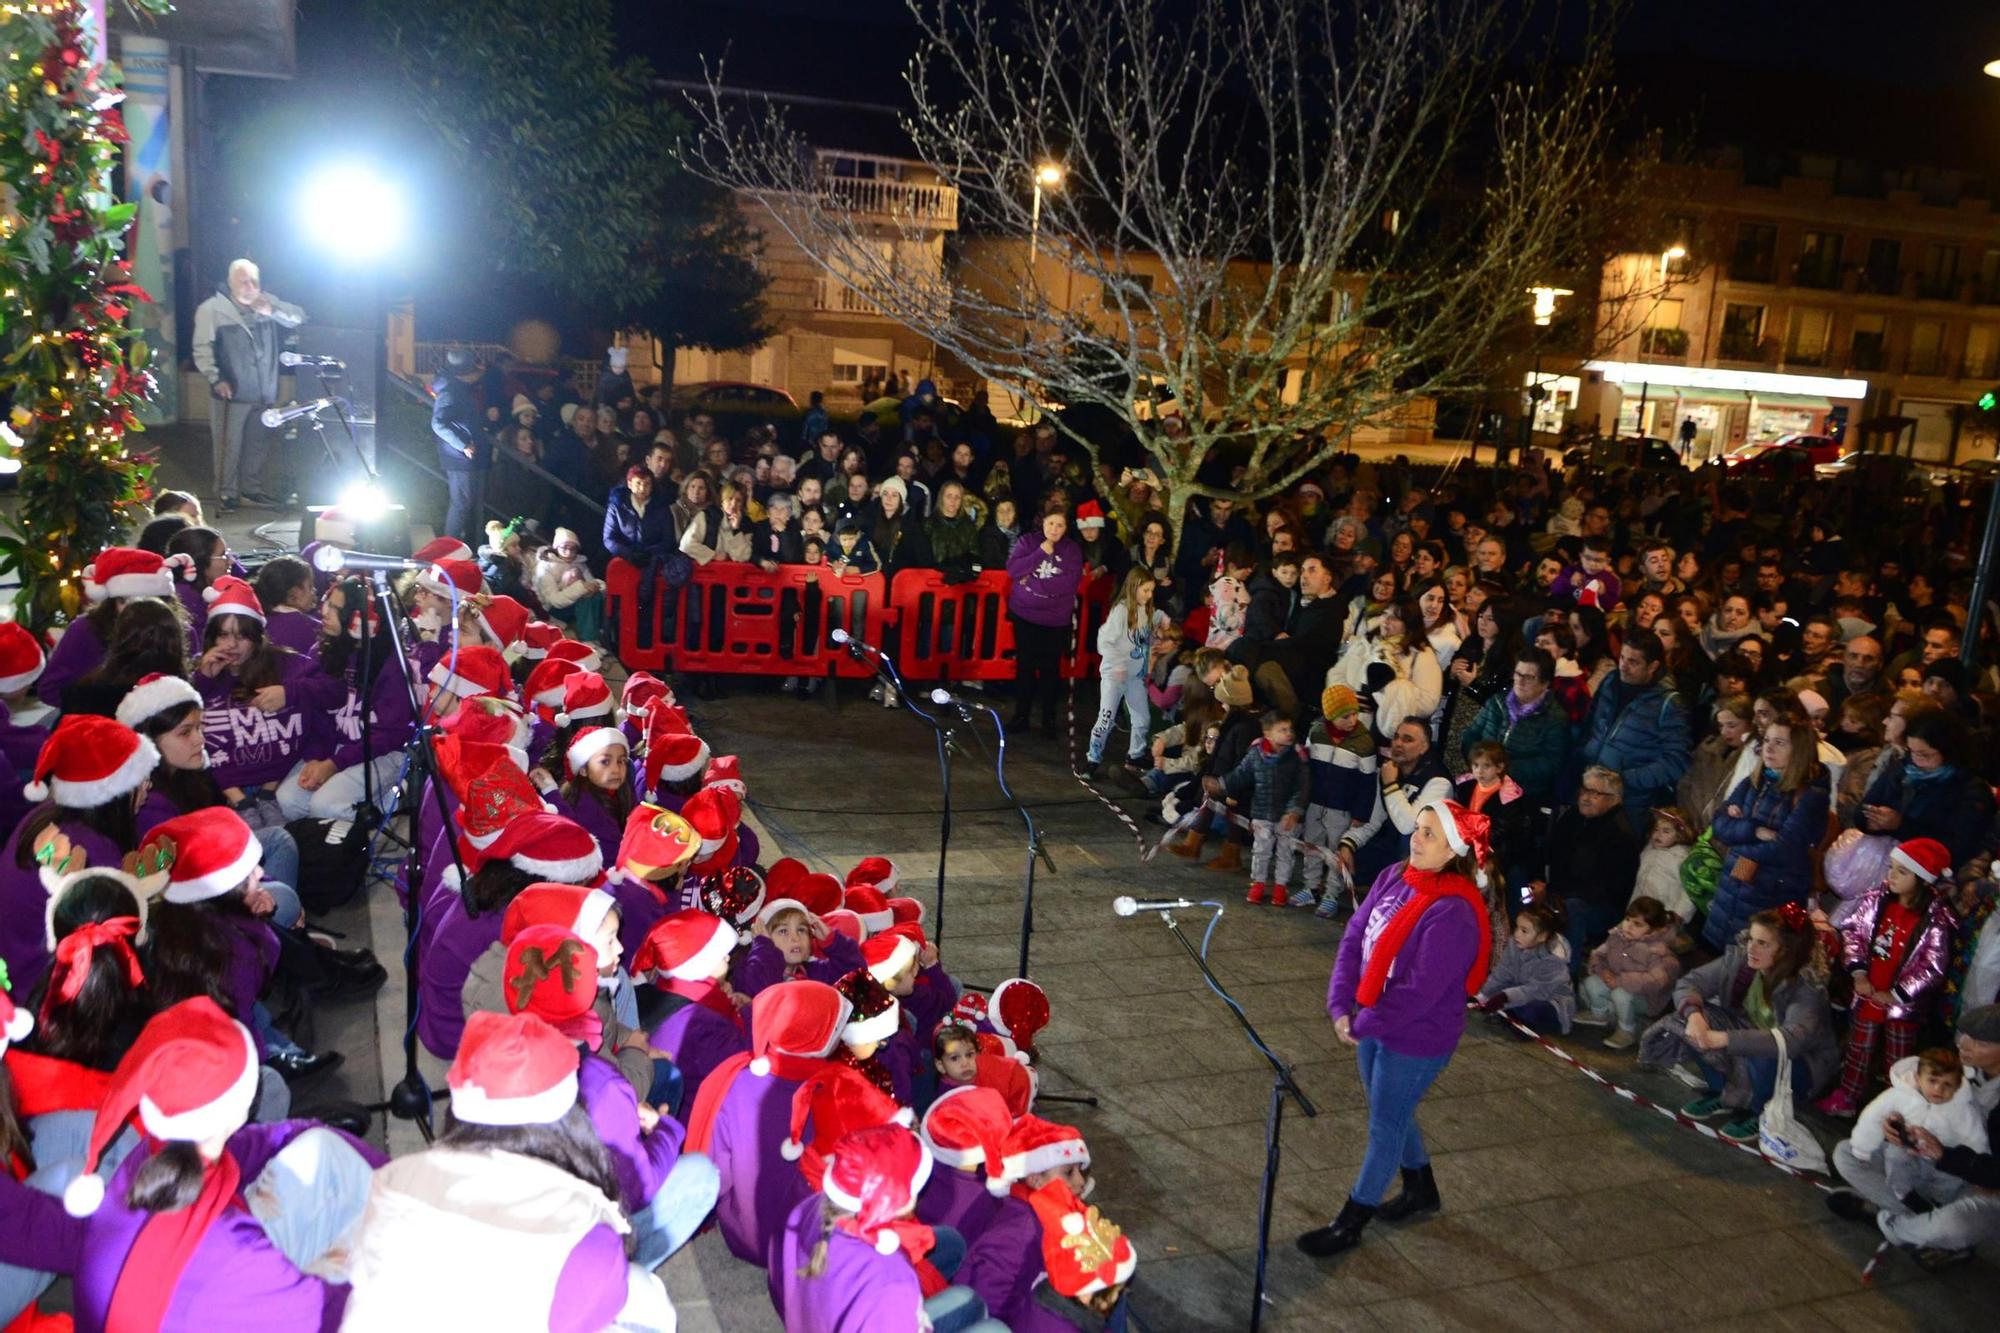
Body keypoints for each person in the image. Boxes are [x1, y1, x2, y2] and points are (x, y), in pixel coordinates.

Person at [343, 1010, 676, 1330]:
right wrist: (667, 1131)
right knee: (646, 1296)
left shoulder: (393, 1178)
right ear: (569, 1121)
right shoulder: (585, 1228)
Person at [1300, 800, 1492, 1257]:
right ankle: (1421, 1187)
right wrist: (1341, 1003)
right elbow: (1355, 938)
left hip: (1418, 1037)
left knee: (1385, 1124)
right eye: (1418, 828)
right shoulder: (1394, 877)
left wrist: (1362, 1022)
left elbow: (1420, 990)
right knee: (1391, 1111)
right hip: (1377, 1022)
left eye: (1430, 834)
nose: (1416, 839)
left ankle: (1350, 1222)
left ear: (1454, 852)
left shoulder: (1454, 913)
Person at [1826, 1003, 2000, 1271]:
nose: (1964, 1044)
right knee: (1847, 1154)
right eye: (1965, 1035)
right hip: (1924, 1161)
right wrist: (1895, 1127)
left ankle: (1888, 1220)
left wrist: (1946, 1155)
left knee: (1957, 1224)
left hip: (1975, 1181)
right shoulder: (1958, 1064)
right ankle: (1921, 1223)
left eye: (1979, 1042)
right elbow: (1916, 1101)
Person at [1650, 904, 1839, 1144]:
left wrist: (1723, 1038)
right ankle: (1724, 1092)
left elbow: (1791, 1041)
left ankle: (1760, 1110)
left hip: (1803, 1065)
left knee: (1764, 1049)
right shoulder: (1740, 959)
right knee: (1688, 1020)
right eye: (1751, 938)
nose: (1751, 947)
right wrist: (1695, 1017)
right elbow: (1691, 982)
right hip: (1750, 1041)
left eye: (1763, 943)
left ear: (1786, 950)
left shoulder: (1806, 985)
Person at [1815, 838, 1959, 1118]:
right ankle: (1847, 1096)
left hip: (1902, 1006)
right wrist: (1858, 972)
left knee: (1898, 1061)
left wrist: (1897, 995)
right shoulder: (1876, 899)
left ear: (1921, 880)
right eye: (1891, 868)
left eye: (1901, 872)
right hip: (1868, 992)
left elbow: (1933, 965)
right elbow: (1854, 932)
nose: (1891, 876)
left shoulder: (1935, 919)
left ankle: (1895, 1111)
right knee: (1858, 1048)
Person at [1702, 716, 1831, 952]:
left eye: (1780, 742)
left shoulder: (1812, 795)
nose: (1768, 748)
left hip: (1773, 894)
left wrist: (1738, 833)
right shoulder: (1756, 780)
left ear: (1800, 750)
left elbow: (1784, 849)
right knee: (1720, 964)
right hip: (1734, 885)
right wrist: (1754, 830)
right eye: (1767, 740)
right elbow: (1719, 824)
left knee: (1752, 965)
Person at [190, 257, 305, 511]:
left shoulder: (266, 303)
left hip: (264, 391)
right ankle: (225, 493)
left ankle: (250, 490)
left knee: (259, 443)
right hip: (232, 391)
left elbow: (299, 317)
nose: (250, 286)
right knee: (228, 446)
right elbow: (202, 349)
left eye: (254, 281)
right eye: (243, 281)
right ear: (231, 282)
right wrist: (216, 378)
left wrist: (272, 311)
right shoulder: (212, 310)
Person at [1579, 632, 1691, 813]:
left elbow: (1676, 761)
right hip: (1590, 787)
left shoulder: (1669, 703)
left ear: (1653, 666)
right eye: (1622, 657)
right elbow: (1589, 725)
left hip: (1630, 803)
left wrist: (1624, 780)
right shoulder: (1610, 681)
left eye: (1633, 662)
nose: (1623, 666)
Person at [1456, 647, 1570, 808]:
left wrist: (1503, 769)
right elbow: (1471, 735)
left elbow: (1551, 763)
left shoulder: (1555, 718)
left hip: (1523, 796)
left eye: (1529, 677)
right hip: (1483, 784)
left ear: (1545, 684)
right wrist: (1480, 762)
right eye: (1518, 674)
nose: (1520, 681)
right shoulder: (1497, 702)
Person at [1005, 507, 1083, 737]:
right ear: (1043, 523)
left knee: (1050, 669)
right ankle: (1022, 716)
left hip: (1054, 620)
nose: (1054, 529)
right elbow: (1013, 570)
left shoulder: (1072, 550)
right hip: (1025, 615)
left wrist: (1032, 584)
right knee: (1025, 667)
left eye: (1060, 525)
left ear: (1066, 527)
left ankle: (1048, 719)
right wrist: (1040, 553)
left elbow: (1068, 584)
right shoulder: (1028, 542)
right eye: (1051, 524)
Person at [1084, 569, 1167, 779]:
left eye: (1151, 591)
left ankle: (1135, 755)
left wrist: (1163, 621)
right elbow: (1104, 640)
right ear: (1134, 588)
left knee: (1142, 718)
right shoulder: (1121, 611)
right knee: (1106, 718)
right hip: (1115, 675)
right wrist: (1118, 664)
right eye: (1145, 590)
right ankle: (1092, 758)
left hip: (1134, 676)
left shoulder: (1146, 611)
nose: (1149, 595)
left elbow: (1156, 617)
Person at [1576, 895, 1683, 1050]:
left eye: (1637, 924)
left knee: (1621, 994)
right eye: (1627, 919)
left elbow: (1655, 981)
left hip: (1645, 999)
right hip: (1616, 984)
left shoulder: (1658, 951)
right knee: (1592, 982)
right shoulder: (1618, 936)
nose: (1628, 926)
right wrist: (1603, 971)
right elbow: (1598, 955)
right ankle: (1599, 1013)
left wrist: (1620, 981)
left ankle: (1627, 1030)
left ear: (1652, 930)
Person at [1474, 902, 1577, 1035]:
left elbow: (1538, 991)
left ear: (1542, 936)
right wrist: (1483, 995)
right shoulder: (1515, 943)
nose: (1516, 934)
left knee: (1532, 1009)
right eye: (1516, 927)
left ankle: (1522, 1023)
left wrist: (1506, 997)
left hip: (1551, 1001)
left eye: (1524, 931)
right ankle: (1512, 1018)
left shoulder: (1554, 957)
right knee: (1498, 997)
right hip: (1520, 990)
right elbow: (1502, 972)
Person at [431, 347, 489, 545]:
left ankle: (457, 546)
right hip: (459, 457)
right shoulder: (450, 390)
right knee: (461, 504)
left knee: (465, 504)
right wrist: (462, 444)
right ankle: (448, 548)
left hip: (465, 455)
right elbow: (438, 423)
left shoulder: (456, 386)